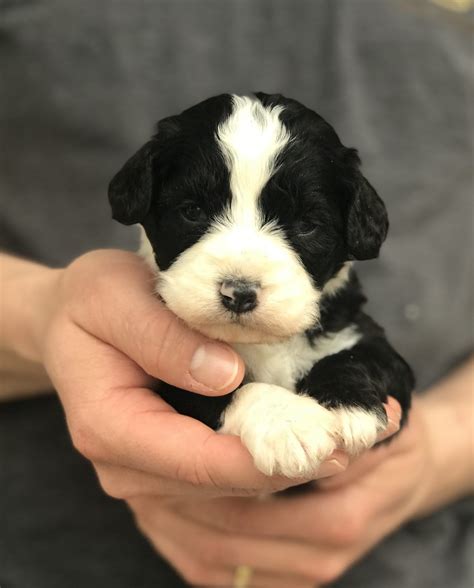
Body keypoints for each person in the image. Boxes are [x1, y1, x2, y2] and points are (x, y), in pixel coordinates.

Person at [1, 2, 472, 587]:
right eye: (196, 210)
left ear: (351, 226)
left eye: (302, 223)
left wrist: (439, 453)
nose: (241, 276)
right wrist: (38, 316)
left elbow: (379, 379)